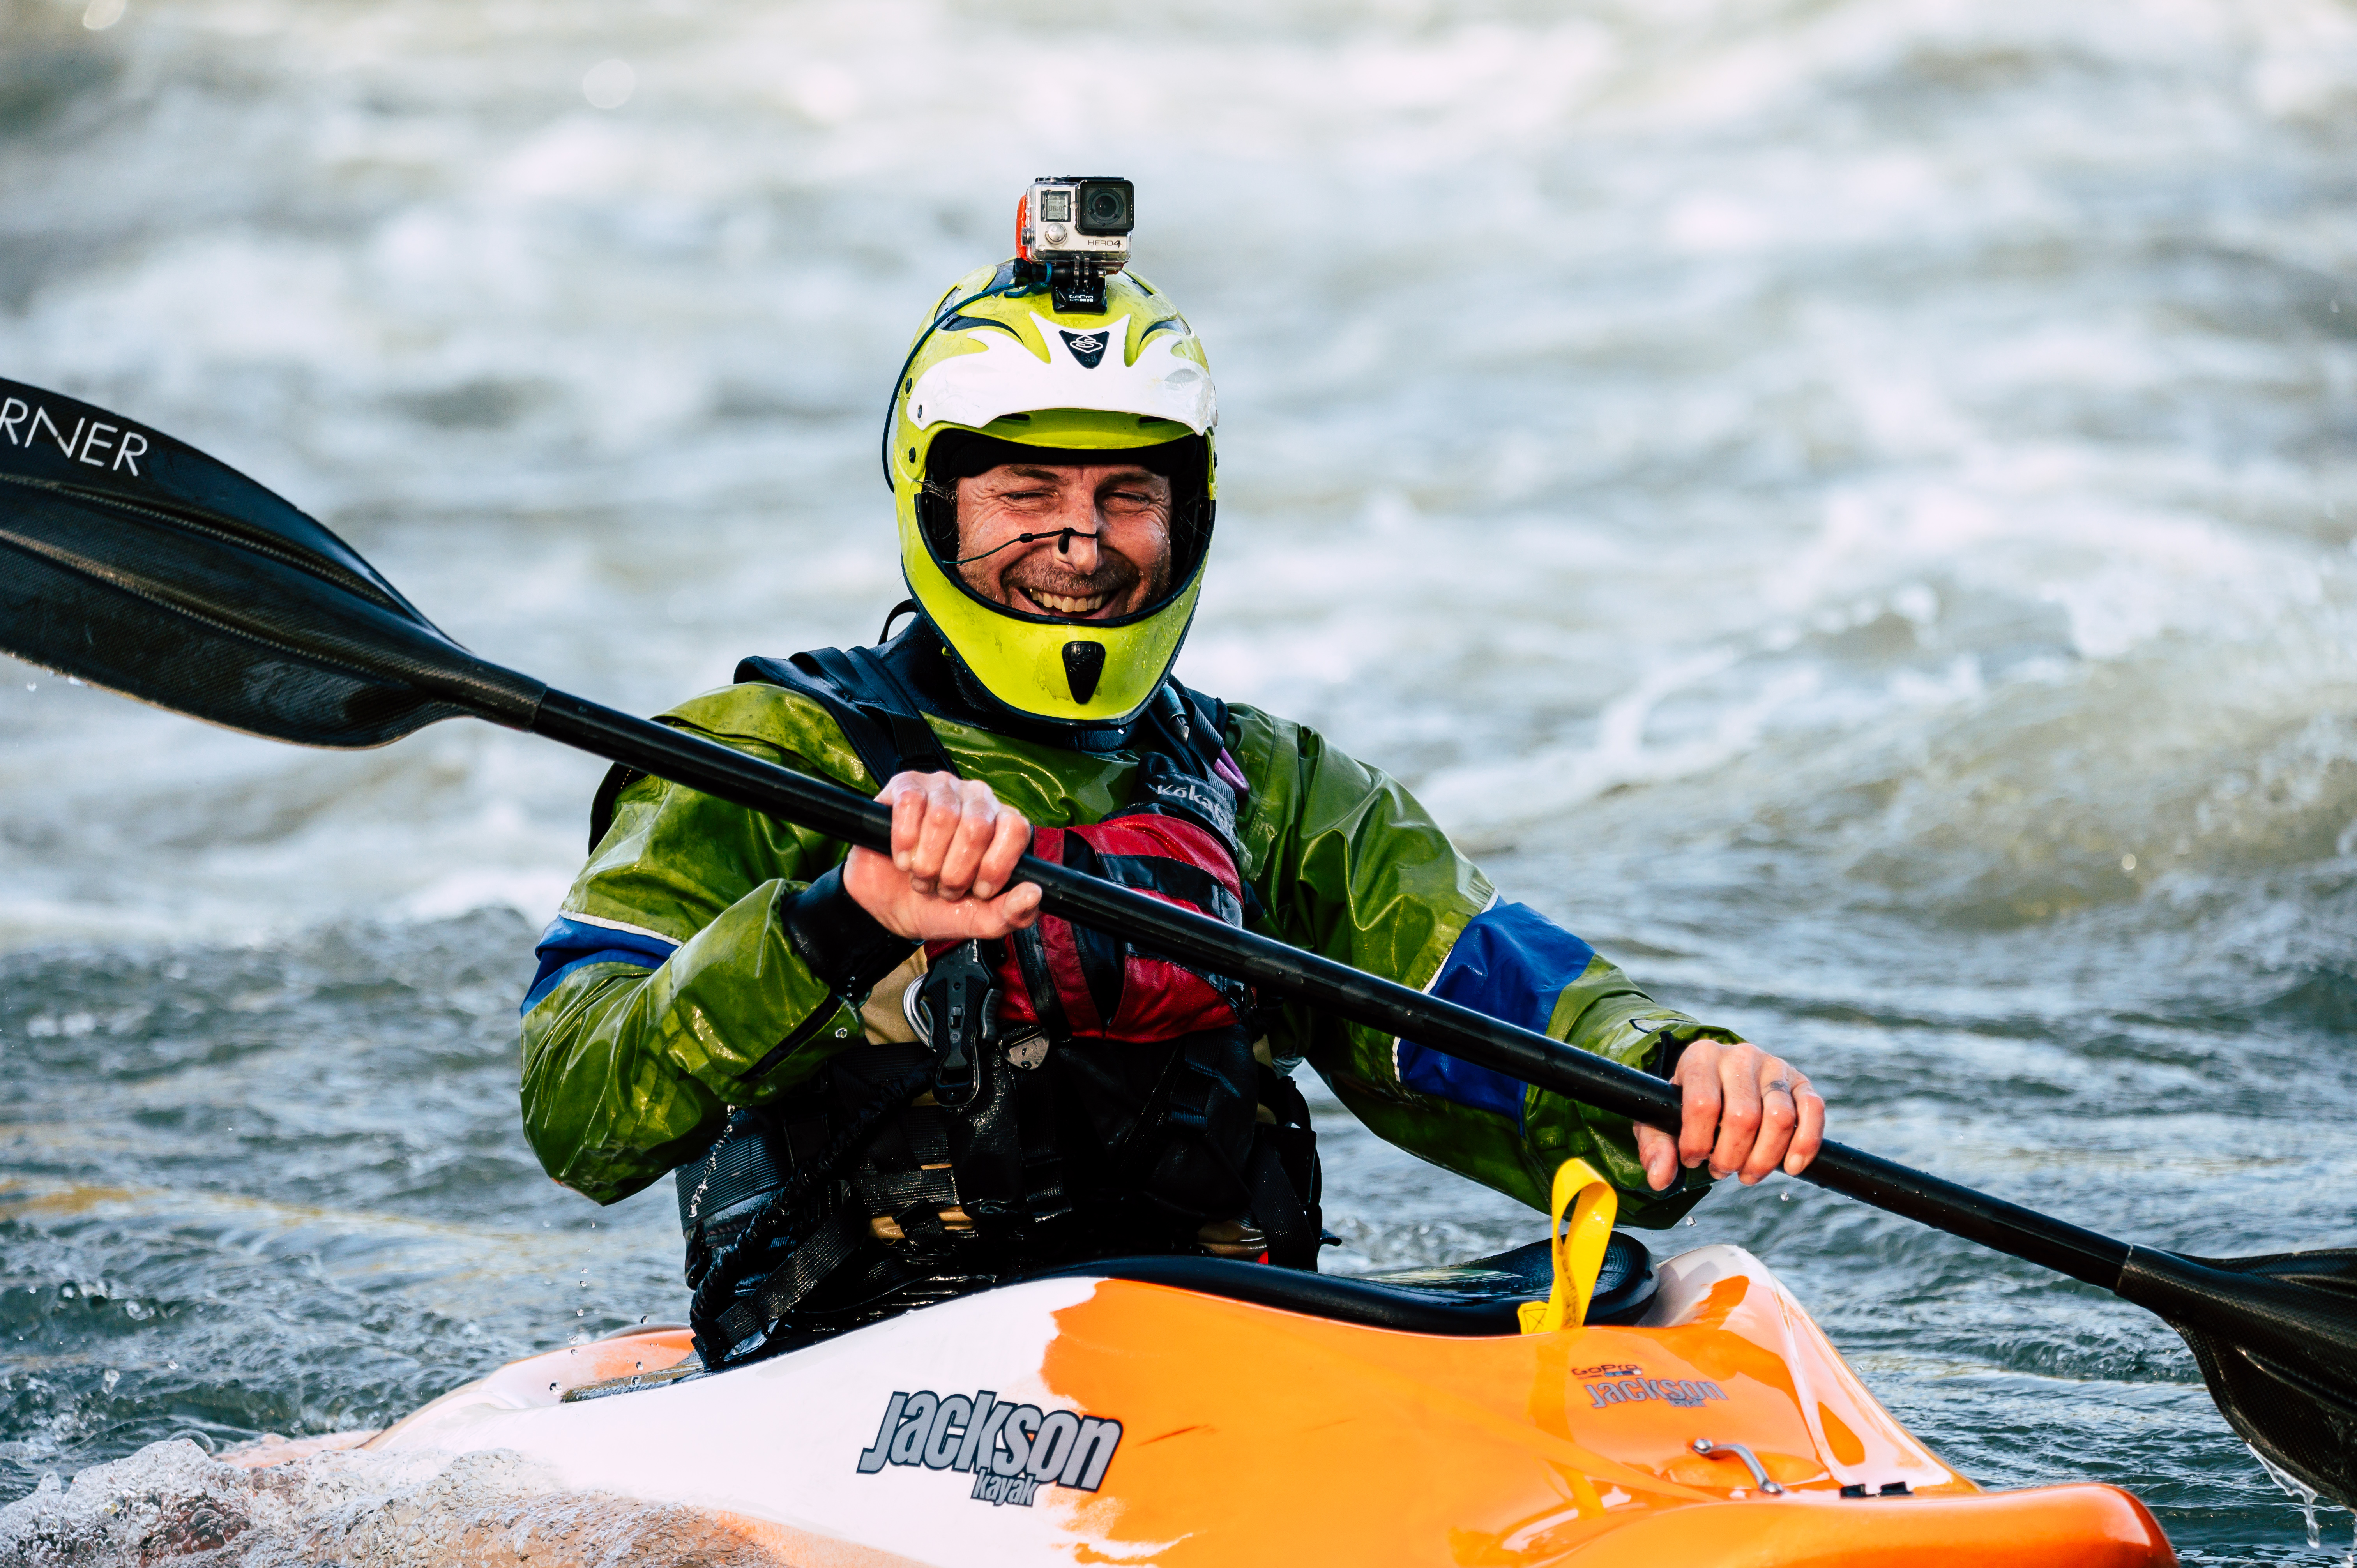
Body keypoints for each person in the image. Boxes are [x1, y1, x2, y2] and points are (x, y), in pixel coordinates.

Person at [517, 251, 1826, 1367]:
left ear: (1186, 514)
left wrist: (1665, 1073)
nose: (1081, 542)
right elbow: (577, 1103)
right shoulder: (764, 755)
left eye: (1125, 496)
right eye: (1025, 497)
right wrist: (841, 914)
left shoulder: (1271, 787)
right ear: (936, 505)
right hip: (854, 1373)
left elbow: (1483, 994)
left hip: (1217, 1358)